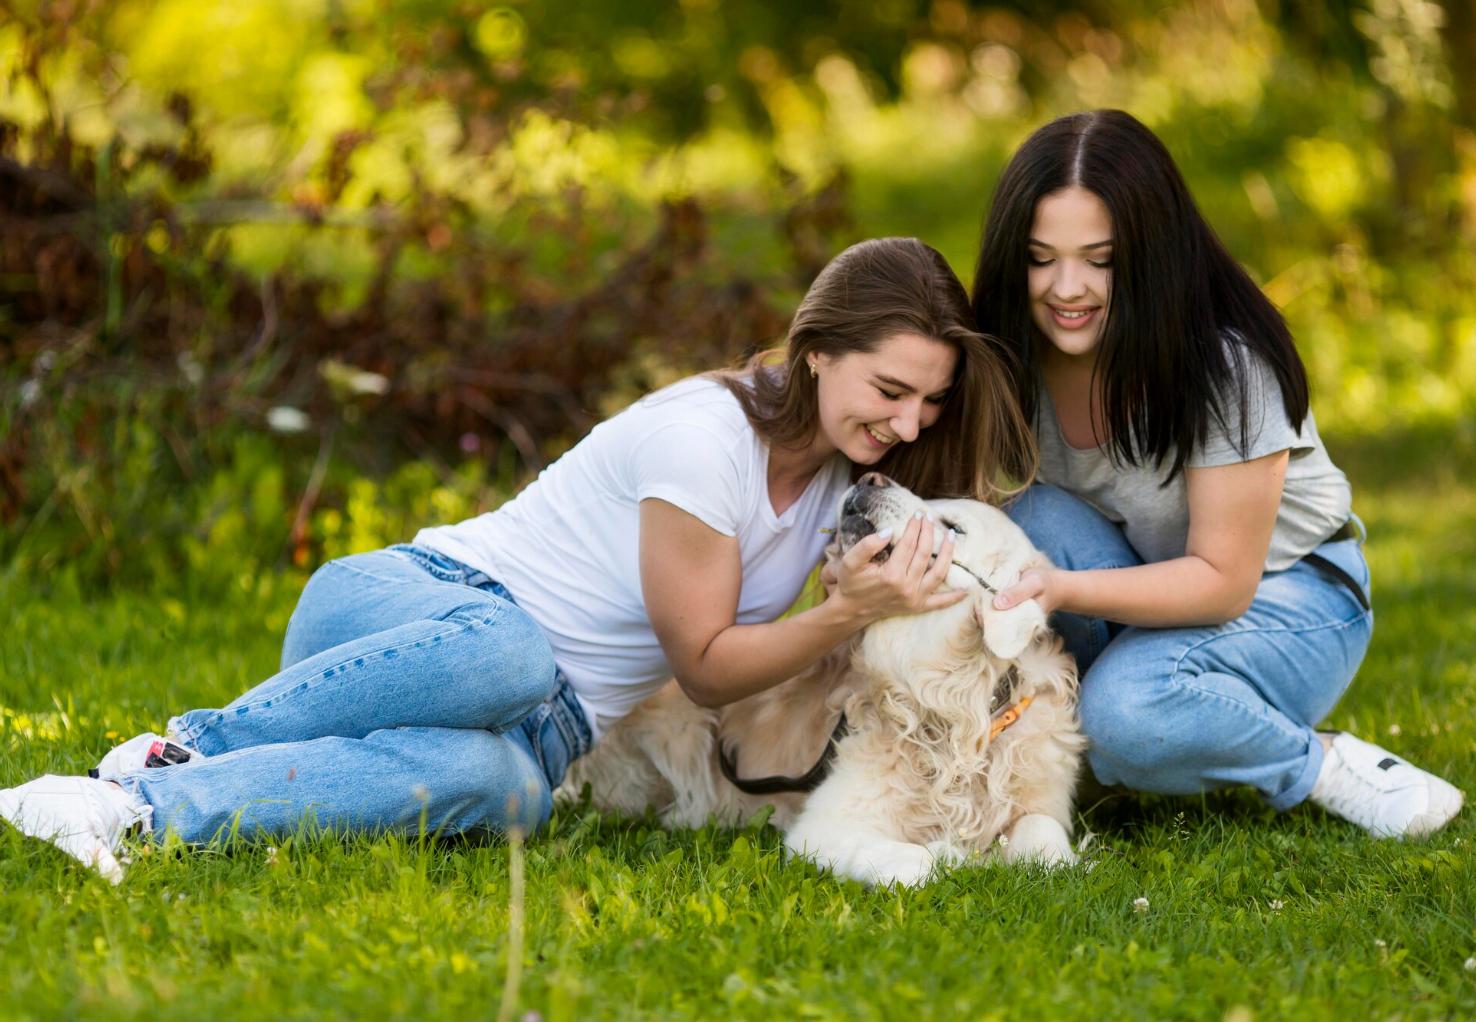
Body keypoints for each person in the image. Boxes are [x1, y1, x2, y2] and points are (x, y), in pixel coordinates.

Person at [0, 237, 1036, 882]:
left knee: (506, 791)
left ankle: (127, 807)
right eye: (890, 389)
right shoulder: (704, 439)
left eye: (930, 402)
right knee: (509, 650)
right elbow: (711, 663)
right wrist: (846, 612)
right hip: (415, 614)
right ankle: (183, 742)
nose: (907, 422)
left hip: (537, 730)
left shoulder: (842, 489)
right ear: (818, 350)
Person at [972, 109, 1463, 839]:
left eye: (1099, 260)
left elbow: (1223, 582)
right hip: (1150, 586)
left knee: (1125, 713)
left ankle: (1318, 762)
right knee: (1031, 517)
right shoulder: (1016, 361)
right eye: (1042, 258)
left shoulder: (1225, 367)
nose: (1065, 289)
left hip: (1291, 599)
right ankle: (1110, 753)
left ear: (1149, 253)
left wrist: (1066, 589)